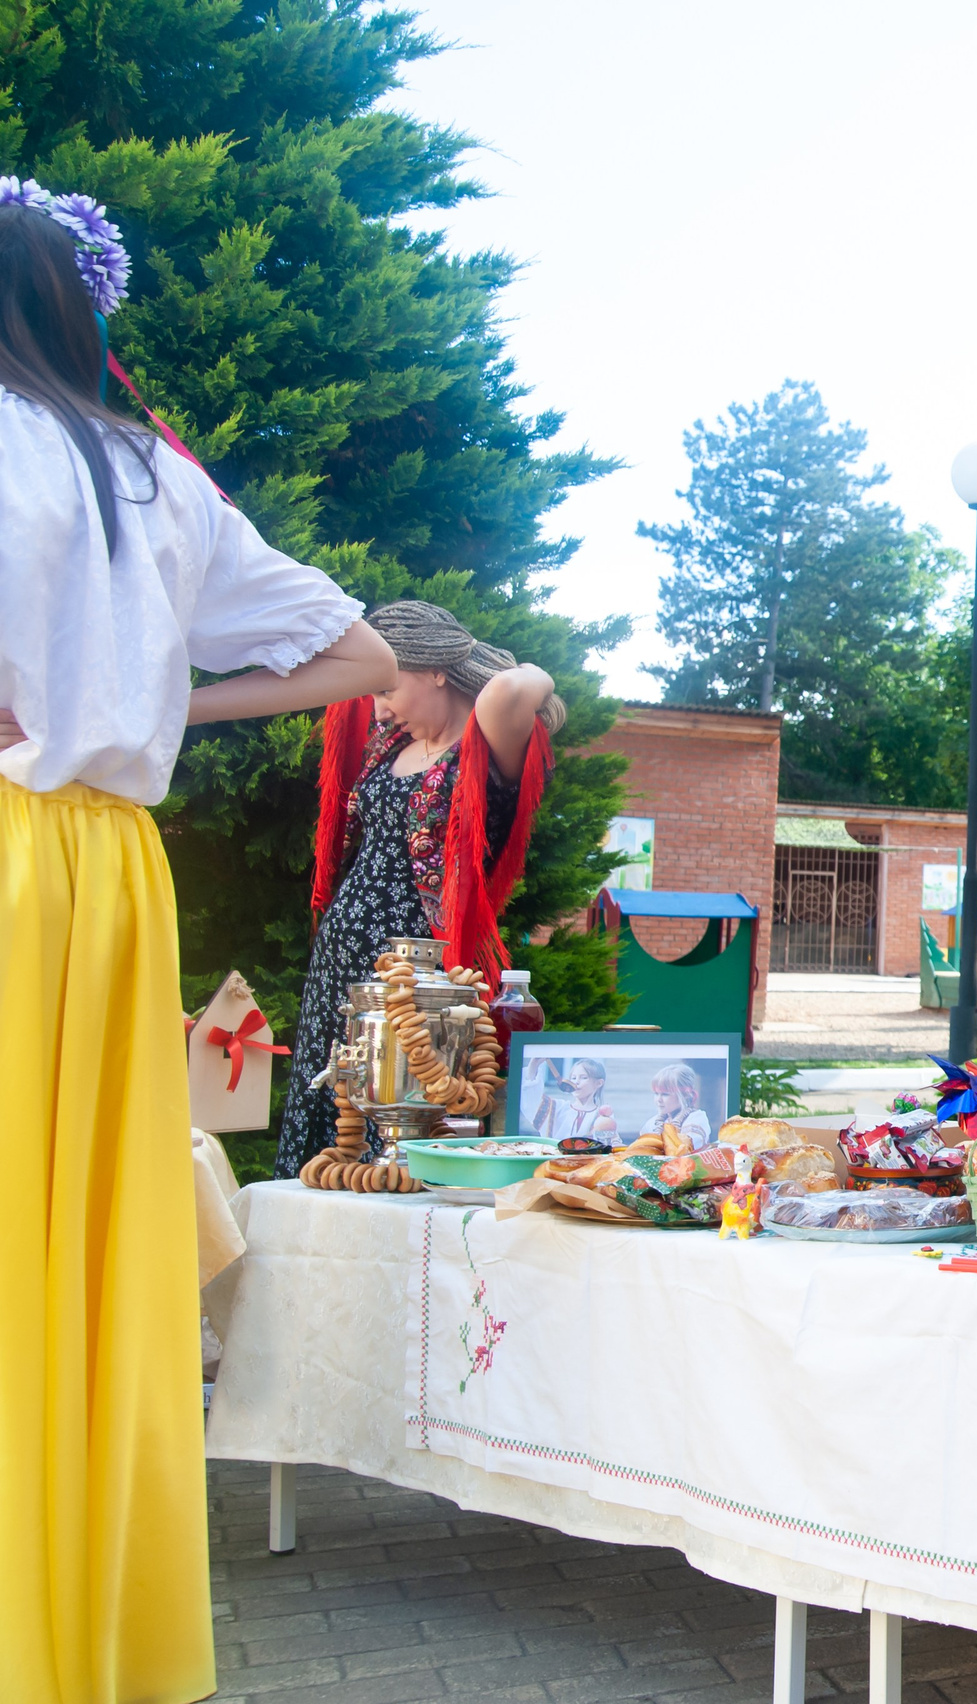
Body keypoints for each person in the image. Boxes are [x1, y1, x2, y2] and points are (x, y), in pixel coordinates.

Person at [0, 185, 398, 1703]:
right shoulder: (154, 478)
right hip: (111, 871)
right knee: (91, 1248)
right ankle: (83, 1635)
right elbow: (356, 653)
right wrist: (154, 703)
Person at [276, 600, 564, 1175]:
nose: (378, 712)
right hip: (344, 961)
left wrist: (480, 660)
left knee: (403, 1116)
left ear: (436, 670)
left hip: (423, 973)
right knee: (328, 1102)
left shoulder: (486, 742)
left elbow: (513, 686)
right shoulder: (391, 746)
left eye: (387, 689)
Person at [531, 1057, 618, 1143]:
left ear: (599, 1083)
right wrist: (534, 1064)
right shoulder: (557, 1107)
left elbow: (611, 1143)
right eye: (573, 1078)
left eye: (583, 1077)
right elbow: (531, 1098)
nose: (576, 1082)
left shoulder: (602, 1115)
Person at [650, 1062, 713, 1149]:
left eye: (665, 1094)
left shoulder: (696, 1118)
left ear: (685, 1095)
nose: (659, 1100)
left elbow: (685, 1151)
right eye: (656, 1094)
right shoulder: (654, 1122)